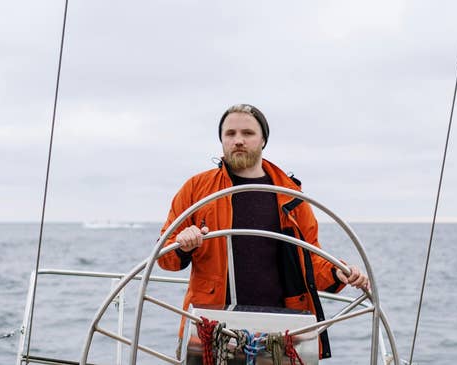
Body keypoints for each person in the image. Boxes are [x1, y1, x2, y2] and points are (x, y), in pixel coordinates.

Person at [157, 103, 370, 359]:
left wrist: (339, 271)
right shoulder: (196, 189)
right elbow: (164, 256)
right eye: (230, 134)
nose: (238, 140)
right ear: (221, 140)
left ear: (263, 139)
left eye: (247, 133)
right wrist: (183, 243)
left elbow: (310, 259)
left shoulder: (290, 195)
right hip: (211, 324)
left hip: (279, 330)